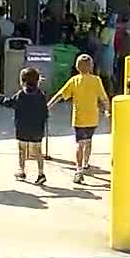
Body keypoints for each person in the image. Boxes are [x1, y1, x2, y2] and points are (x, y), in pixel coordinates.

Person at [48, 53, 109, 184]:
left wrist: (48, 105)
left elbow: (60, 94)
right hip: (93, 117)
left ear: (76, 67)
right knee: (88, 141)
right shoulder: (96, 80)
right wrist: (107, 109)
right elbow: (104, 98)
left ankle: (79, 169)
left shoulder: (74, 81)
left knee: (79, 144)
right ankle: (86, 162)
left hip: (79, 118)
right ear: (91, 66)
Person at [0, 66, 49, 185]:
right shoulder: (41, 94)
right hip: (37, 128)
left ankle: (21, 170)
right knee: (38, 151)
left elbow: (9, 102)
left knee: (22, 149)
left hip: (22, 127)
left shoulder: (21, 94)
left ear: (22, 81)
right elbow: (45, 111)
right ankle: (41, 173)